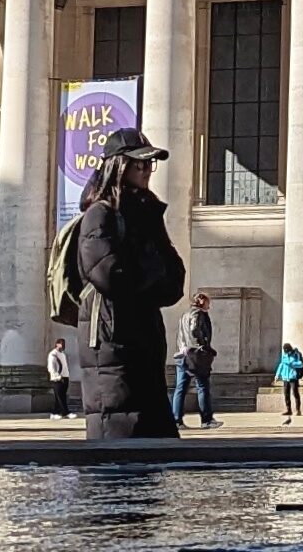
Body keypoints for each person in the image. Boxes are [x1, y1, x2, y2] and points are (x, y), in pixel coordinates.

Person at [75, 126, 187, 440]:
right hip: (111, 338)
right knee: (118, 429)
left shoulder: (149, 214)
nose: (147, 171)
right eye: (140, 164)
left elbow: (175, 279)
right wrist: (152, 274)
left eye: (150, 164)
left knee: (156, 438)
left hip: (145, 336)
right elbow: (108, 274)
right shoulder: (100, 215)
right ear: (119, 166)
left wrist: (147, 276)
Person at [172, 292, 220, 429]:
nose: (208, 307)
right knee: (202, 386)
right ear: (201, 301)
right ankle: (207, 420)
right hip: (196, 355)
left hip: (182, 354)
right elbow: (194, 330)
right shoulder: (198, 314)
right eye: (207, 303)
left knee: (180, 388)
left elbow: (181, 334)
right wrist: (203, 345)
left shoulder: (184, 315)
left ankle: (177, 420)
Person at [275, 342, 303, 422]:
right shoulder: (284, 355)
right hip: (285, 377)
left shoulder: (296, 354)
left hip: (293, 377)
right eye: (285, 351)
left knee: (295, 393)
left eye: (287, 350)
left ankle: (298, 410)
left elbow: (300, 364)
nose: (286, 352)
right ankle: (289, 409)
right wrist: (277, 374)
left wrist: (291, 363)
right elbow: (281, 365)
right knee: (286, 394)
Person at [47, 339, 74, 419]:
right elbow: (51, 367)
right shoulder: (53, 354)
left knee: (59, 396)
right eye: (62, 344)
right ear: (57, 344)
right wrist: (57, 376)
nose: (63, 346)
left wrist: (67, 375)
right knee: (60, 396)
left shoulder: (62, 354)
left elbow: (64, 366)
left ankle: (54, 412)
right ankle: (65, 412)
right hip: (57, 378)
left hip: (65, 377)